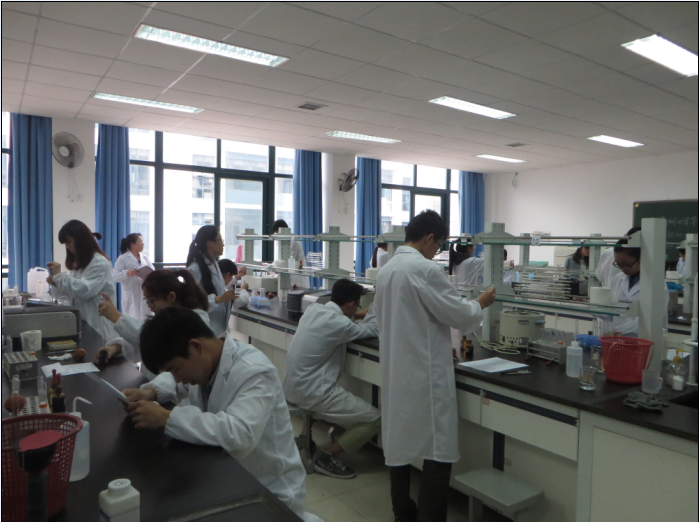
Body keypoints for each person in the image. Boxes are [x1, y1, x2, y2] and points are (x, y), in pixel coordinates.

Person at [121, 307, 316, 520]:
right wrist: (150, 392)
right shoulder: (205, 365)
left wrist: (166, 418)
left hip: (270, 492)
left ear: (196, 346)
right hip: (231, 478)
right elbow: (176, 384)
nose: (177, 378)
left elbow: (240, 435)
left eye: (175, 369)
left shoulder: (255, 371)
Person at [375, 210, 496, 522]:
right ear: (429, 238)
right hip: (424, 376)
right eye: (439, 245)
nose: (437, 252)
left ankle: (403, 513)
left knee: (398, 446)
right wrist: (480, 303)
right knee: (438, 450)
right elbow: (459, 315)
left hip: (397, 370)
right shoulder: (424, 269)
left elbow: (413, 319)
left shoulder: (387, 270)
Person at [283, 279, 380, 480]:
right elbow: (373, 329)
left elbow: (346, 322)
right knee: (376, 419)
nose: (357, 309)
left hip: (292, 387)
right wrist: (377, 306)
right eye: (357, 305)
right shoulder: (340, 324)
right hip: (313, 393)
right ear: (351, 303)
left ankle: (308, 438)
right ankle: (327, 456)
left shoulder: (313, 310)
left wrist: (359, 314)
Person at [95, 269, 211, 380]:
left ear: (171, 297)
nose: (149, 306)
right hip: (152, 384)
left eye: (152, 300)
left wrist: (117, 317)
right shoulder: (166, 316)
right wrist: (115, 348)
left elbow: (156, 341)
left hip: (170, 389)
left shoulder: (194, 320)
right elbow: (143, 344)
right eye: (147, 300)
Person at [47, 220, 117, 341]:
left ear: (80, 240)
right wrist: (56, 283)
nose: (67, 247)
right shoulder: (81, 264)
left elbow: (83, 290)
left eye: (69, 242)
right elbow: (69, 295)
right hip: (84, 322)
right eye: (65, 244)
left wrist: (60, 277)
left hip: (98, 326)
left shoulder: (100, 263)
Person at [187, 226, 242, 338]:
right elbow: (190, 302)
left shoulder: (215, 265)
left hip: (219, 330)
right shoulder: (195, 269)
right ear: (210, 243)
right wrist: (217, 299)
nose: (223, 244)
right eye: (220, 240)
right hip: (204, 330)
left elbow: (218, 289)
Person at [607, 236, 669, 336]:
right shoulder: (617, 279)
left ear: (641, 258)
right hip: (617, 340)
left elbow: (650, 320)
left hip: (646, 340)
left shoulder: (657, 284)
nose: (622, 268)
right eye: (618, 264)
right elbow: (611, 313)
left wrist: (617, 331)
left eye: (626, 264)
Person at [113, 233, 154, 321]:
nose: (143, 244)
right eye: (141, 242)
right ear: (133, 244)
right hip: (131, 294)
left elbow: (153, 273)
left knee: (146, 319)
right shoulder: (123, 258)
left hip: (144, 293)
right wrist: (127, 273)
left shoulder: (145, 258)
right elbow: (115, 276)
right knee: (132, 320)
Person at [449, 244, 514, 286]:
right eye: (473, 246)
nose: (474, 248)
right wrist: (508, 264)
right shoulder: (472, 262)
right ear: (468, 248)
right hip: (471, 297)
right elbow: (491, 262)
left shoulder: (456, 261)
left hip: (462, 294)